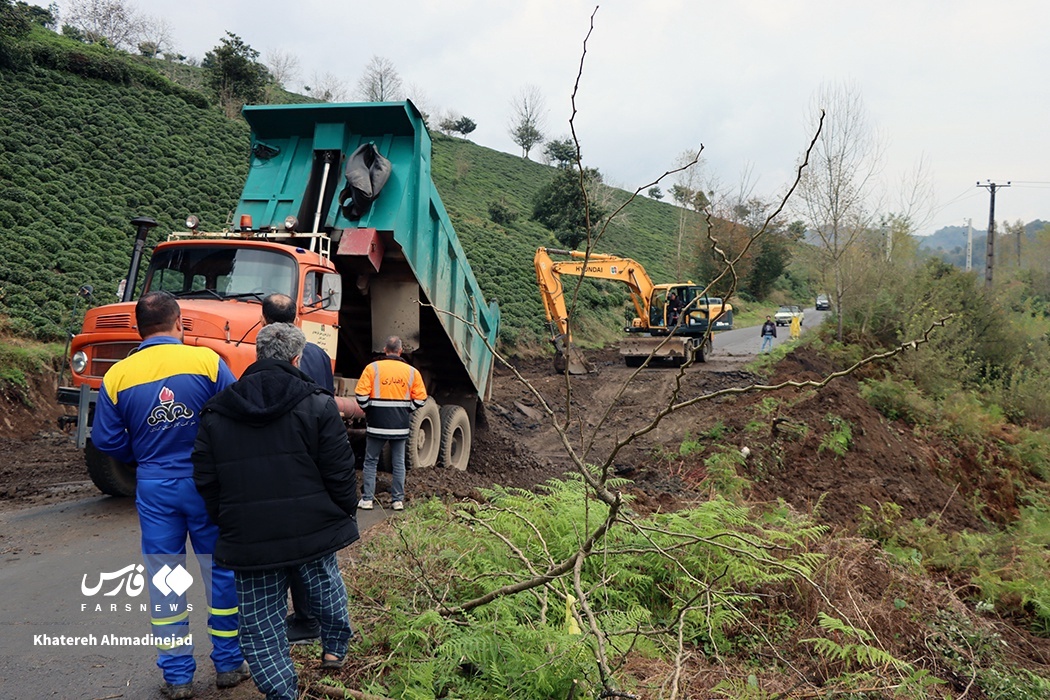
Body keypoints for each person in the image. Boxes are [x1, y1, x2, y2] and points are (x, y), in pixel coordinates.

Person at [92, 291, 249, 700]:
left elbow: (107, 439)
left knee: (165, 578)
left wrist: (142, 456)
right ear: (179, 323)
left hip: (155, 486)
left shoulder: (117, 377)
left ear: (138, 328)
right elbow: (234, 417)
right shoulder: (207, 362)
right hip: (205, 484)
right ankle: (229, 664)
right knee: (220, 571)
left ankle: (178, 677)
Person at [192, 323, 359, 700]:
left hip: (250, 538)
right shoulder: (317, 402)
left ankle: (281, 692)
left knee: (259, 620)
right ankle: (334, 649)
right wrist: (341, 511)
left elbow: (206, 477)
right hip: (313, 526)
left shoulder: (218, 410)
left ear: (257, 356)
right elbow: (339, 469)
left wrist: (228, 519)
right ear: (297, 358)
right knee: (324, 586)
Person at [259, 293, 358, 645]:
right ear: (297, 315)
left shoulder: (265, 354)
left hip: (283, 455)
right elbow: (326, 398)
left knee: (283, 546)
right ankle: (315, 619)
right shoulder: (316, 352)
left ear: (263, 318)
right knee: (313, 552)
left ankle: (303, 620)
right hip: (314, 453)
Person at [354, 336, 428, 511]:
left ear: (385, 350)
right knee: (398, 463)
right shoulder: (411, 372)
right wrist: (406, 410)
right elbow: (421, 398)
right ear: (400, 351)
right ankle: (397, 501)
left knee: (371, 461)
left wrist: (369, 410)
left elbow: (361, 396)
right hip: (399, 425)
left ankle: (367, 500)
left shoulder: (372, 369)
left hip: (376, 424)